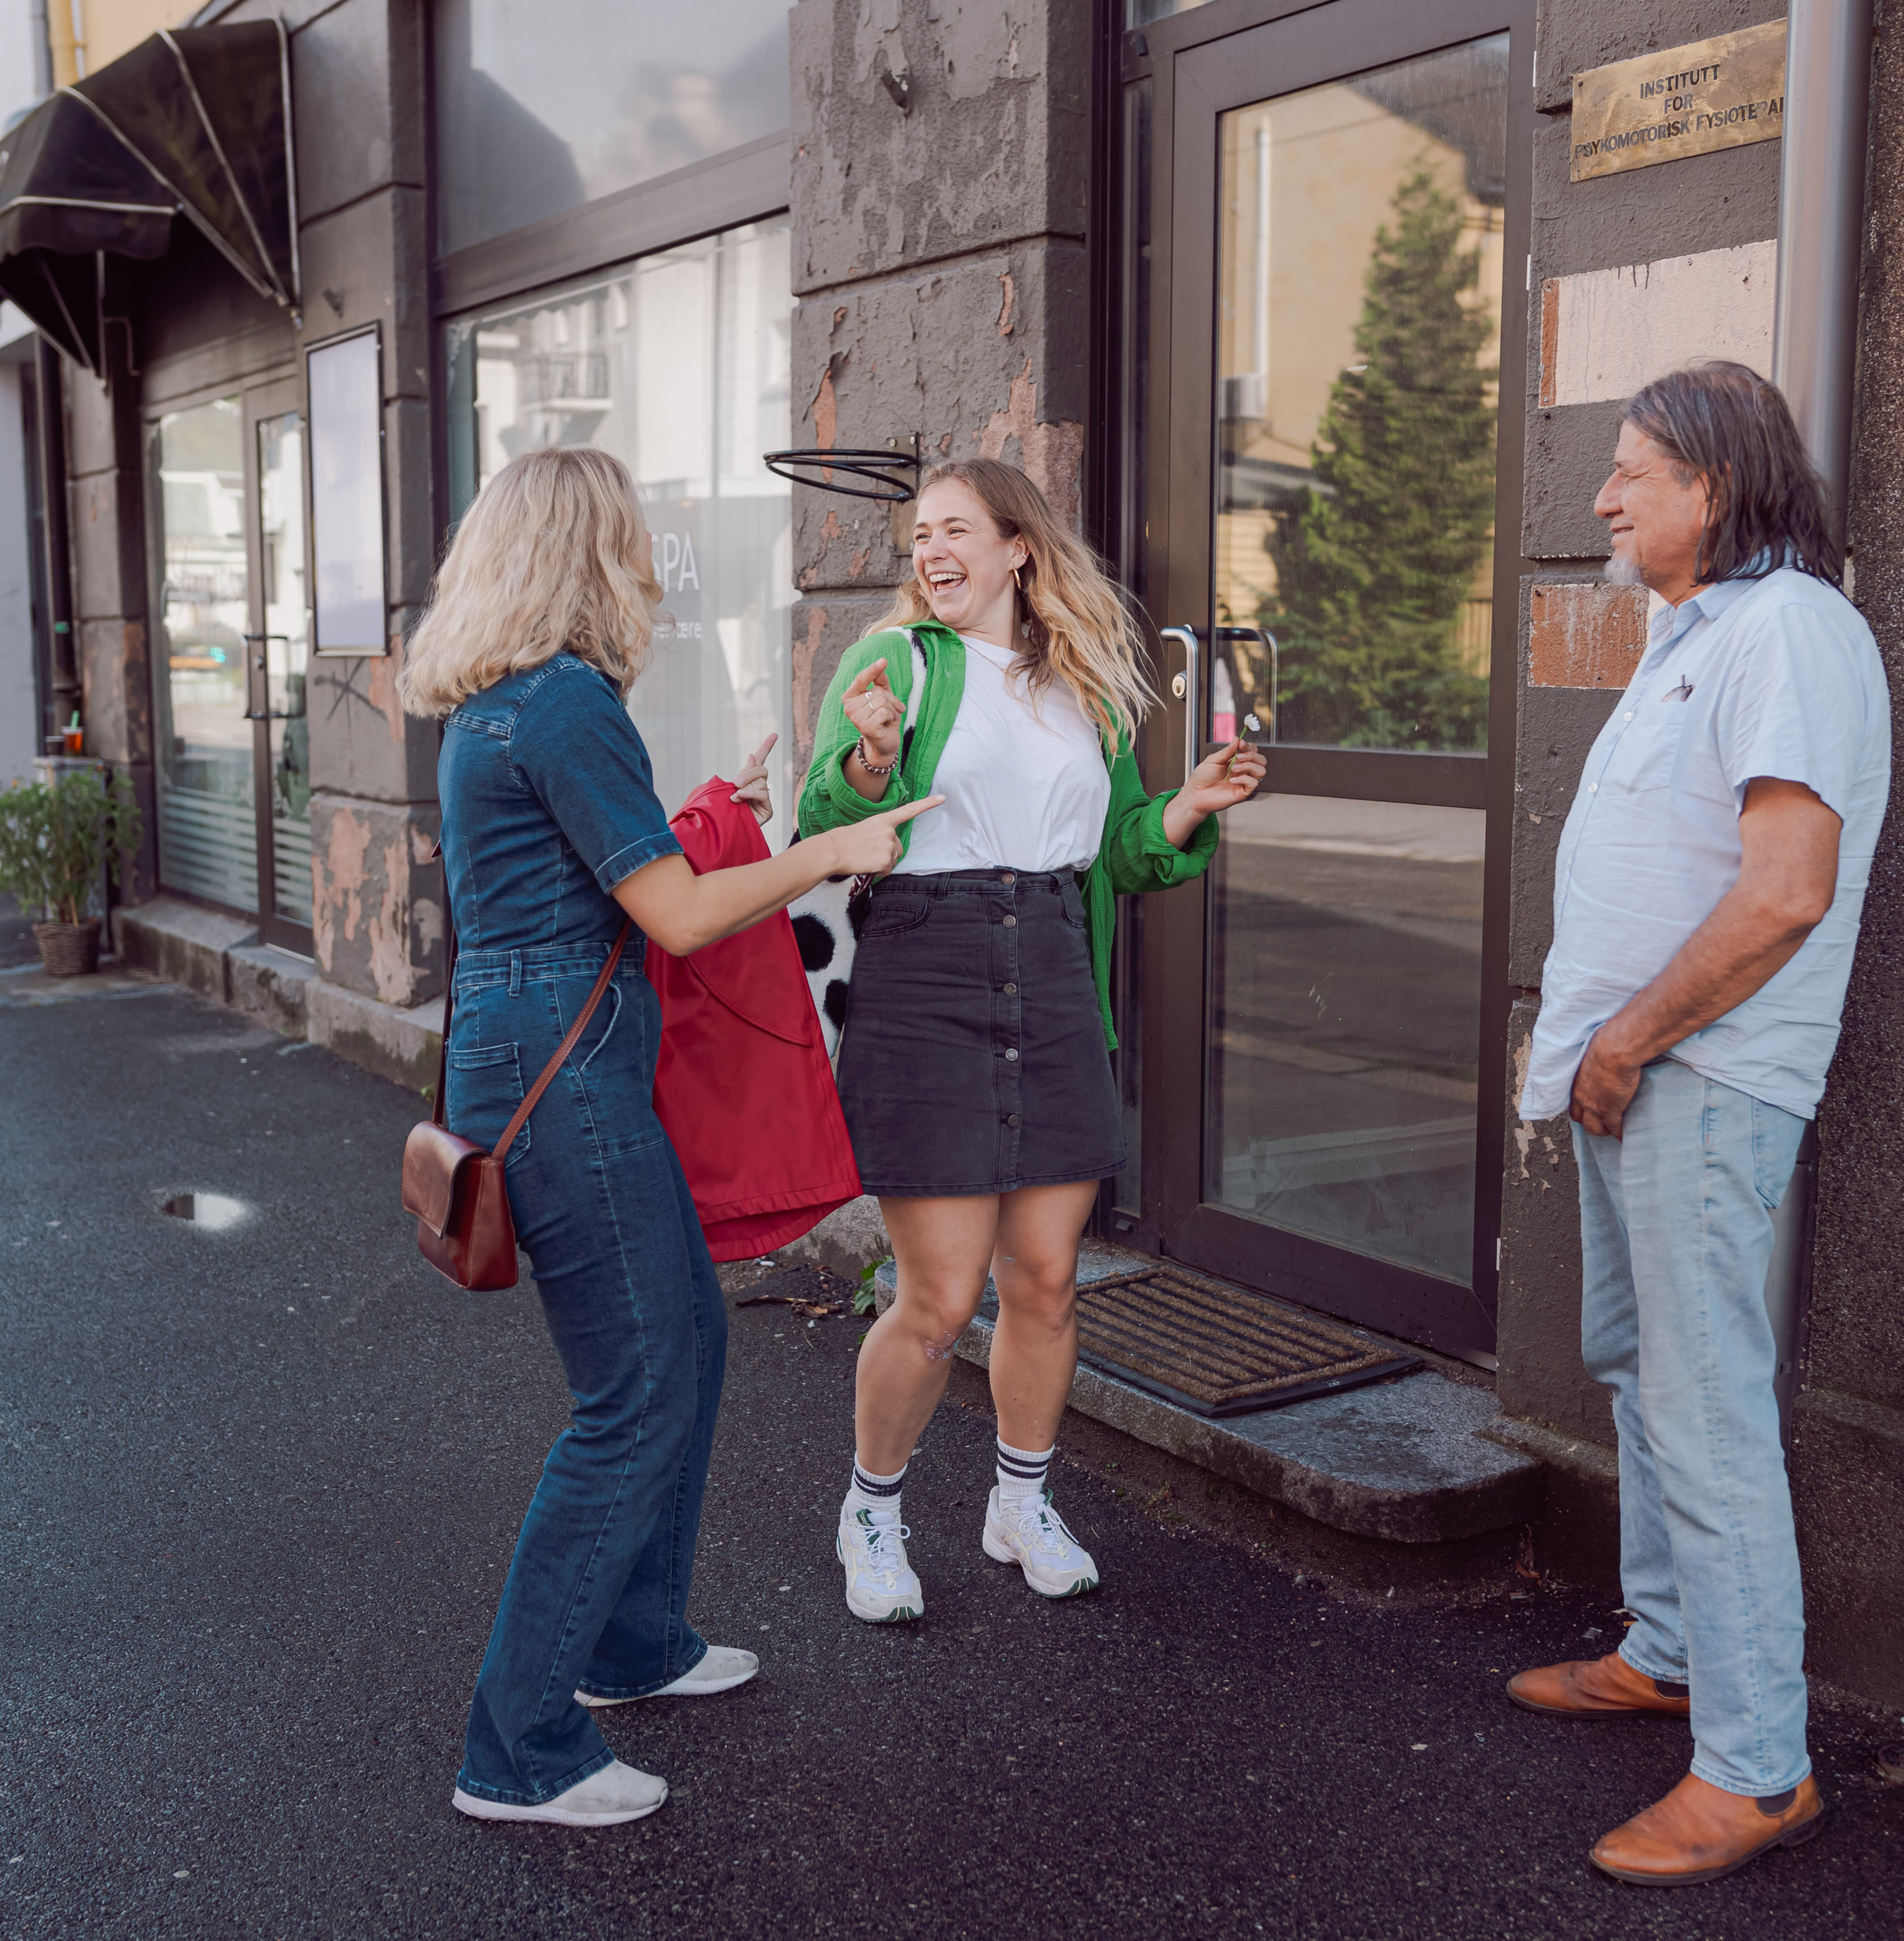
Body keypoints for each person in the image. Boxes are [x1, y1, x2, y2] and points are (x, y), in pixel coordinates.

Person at [401, 446, 937, 1829]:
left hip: (534, 1050)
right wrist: (836, 847)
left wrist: (722, 804)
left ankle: (634, 1644)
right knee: (632, 1393)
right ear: (589, 550)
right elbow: (682, 916)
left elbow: (615, 870)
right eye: (630, 537)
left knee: (684, 1338)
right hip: (566, 1071)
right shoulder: (566, 701)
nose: (646, 556)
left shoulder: (497, 704)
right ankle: (515, 1747)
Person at [1504, 363, 1892, 1886]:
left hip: (1699, 1076)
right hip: (1636, 1070)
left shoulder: (1790, 628)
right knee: (1638, 1368)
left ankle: (1753, 1766)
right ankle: (1664, 1650)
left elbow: (1785, 886)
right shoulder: (1700, 630)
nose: (1602, 498)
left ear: (1713, 486)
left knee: (1706, 1405)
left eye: (1630, 472)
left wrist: (1631, 1040)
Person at [795, 456, 1265, 1622]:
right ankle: (871, 1511)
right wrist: (866, 757)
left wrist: (1189, 808)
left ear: (1018, 546)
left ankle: (1019, 1501)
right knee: (940, 1295)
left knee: (1048, 1279)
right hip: (926, 968)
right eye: (918, 535)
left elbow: (1117, 853)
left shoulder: (1083, 687)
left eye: (955, 528)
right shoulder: (893, 661)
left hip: (1052, 969)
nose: (929, 550)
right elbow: (820, 820)